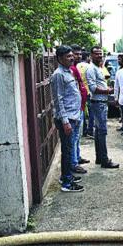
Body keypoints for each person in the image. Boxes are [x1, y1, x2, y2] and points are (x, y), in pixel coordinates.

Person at [51, 45, 84, 192]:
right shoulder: (58, 75)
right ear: (59, 58)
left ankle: (67, 175)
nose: (72, 58)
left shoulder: (69, 71)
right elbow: (58, 100)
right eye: (68, 56)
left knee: (70, 149)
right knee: (68, 150)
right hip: (67, 119)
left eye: (72, 55)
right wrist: (65, 121)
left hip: (74, 116)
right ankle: (66, 183)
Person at [86, 46, 119, 168]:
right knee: (102, 131)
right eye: (96, 54)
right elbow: (93, 88)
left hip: (101, 103)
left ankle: (99, 158)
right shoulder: (91, 69)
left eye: (101, 53)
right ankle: (104, 160)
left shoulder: (99, 68)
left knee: (99, 131)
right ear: (91, 55)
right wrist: (108, 91)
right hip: (98, 103)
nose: (99, 56)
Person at [69, 44, 90, 174]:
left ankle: (77, 158)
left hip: (80, 107)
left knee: (77, 137)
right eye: (75, 54)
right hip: (75, 109)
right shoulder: (70, 70)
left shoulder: (75, 68)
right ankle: (74, 163)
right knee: (74, 138)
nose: (78, 56)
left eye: (79, 54)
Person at [77, 51, 94, 137]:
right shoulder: (89, 66)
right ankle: (90, 130)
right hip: (88, 91)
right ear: (87, 57)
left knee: (82, 110)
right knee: (92, 111)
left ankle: (83, 129)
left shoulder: (76, 66)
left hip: (80, 91)